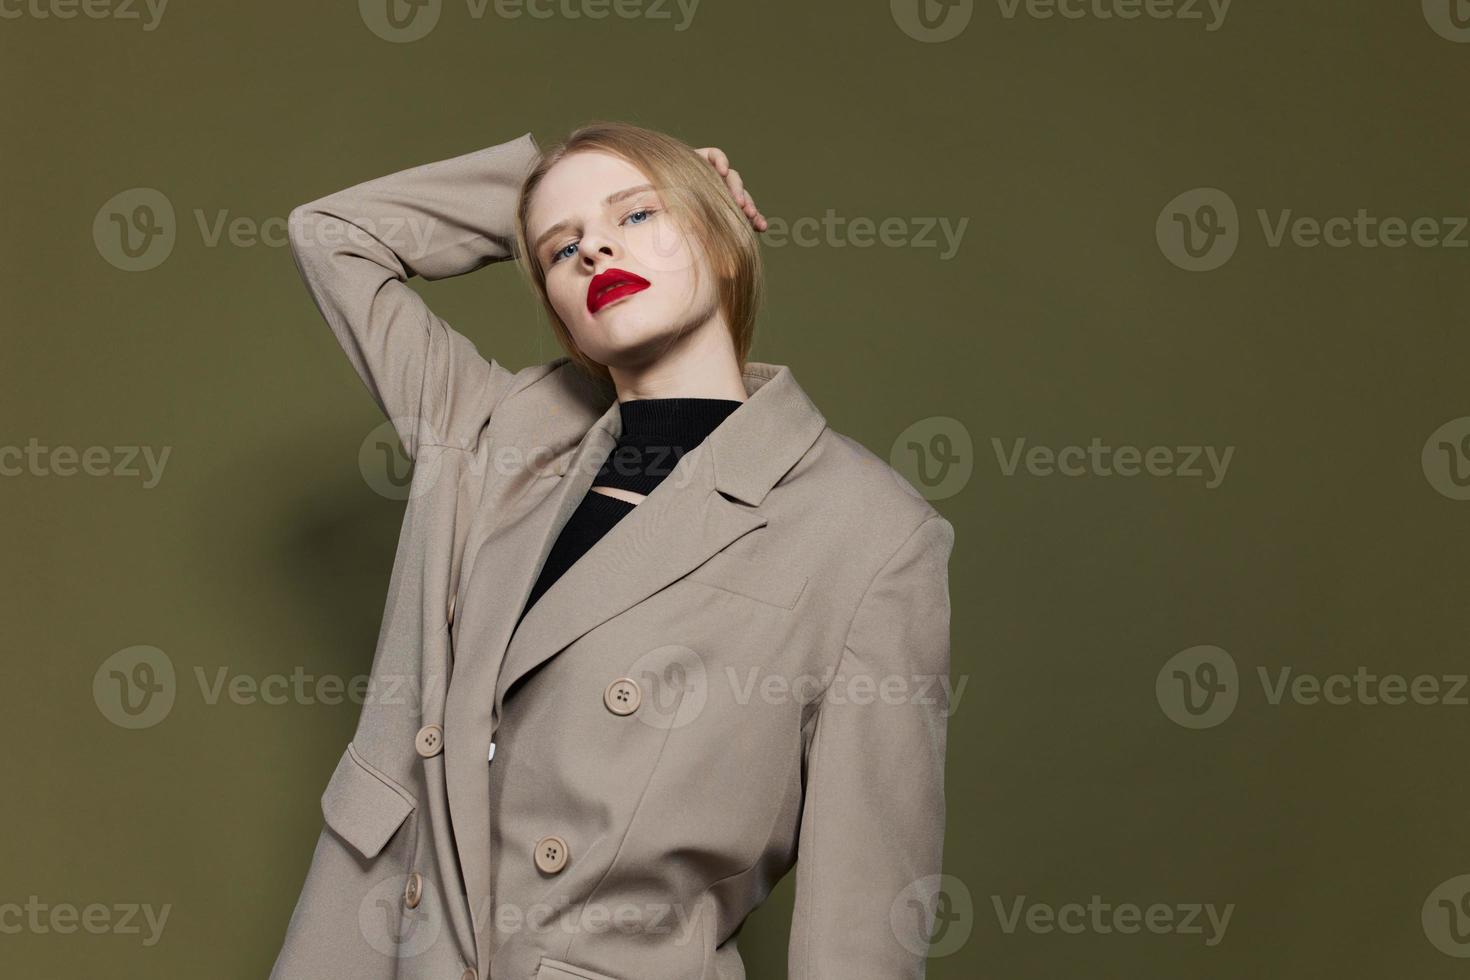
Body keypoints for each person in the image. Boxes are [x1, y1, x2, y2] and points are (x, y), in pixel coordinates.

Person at [269, 121, 956, 980]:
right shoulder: (492, 435)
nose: (595, 248)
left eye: (637, 217)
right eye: (562, 251)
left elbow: (863, 921)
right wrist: (540, 193)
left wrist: (642, 199)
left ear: (729, 244)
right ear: (559, 314)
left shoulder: (869, 530)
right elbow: (332, 236)